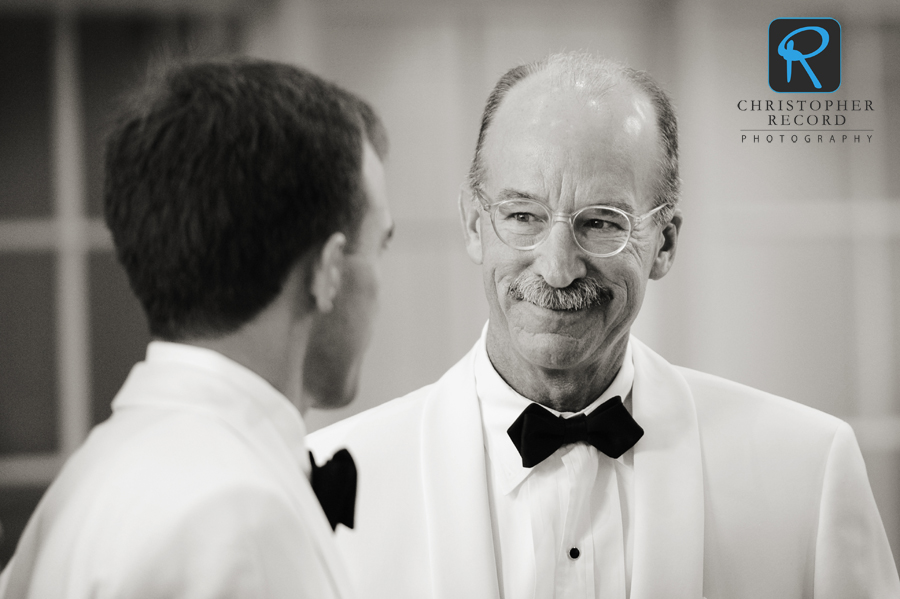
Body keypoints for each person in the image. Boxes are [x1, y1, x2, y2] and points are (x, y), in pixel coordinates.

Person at [308, 52, 900, 599]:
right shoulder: (322, 483)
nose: (559, 268)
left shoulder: (809, 469)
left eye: (601, 222)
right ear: (472, 224)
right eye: (522, 216)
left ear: (664, 243)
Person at [0, 58, 393, 598]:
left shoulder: (86, 478)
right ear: (327, 271)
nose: (380, 287)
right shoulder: (237, 515)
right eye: (379, 246)